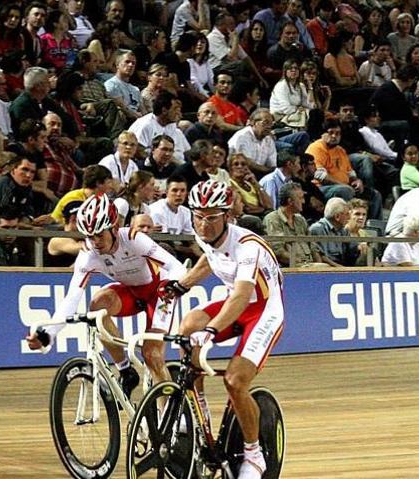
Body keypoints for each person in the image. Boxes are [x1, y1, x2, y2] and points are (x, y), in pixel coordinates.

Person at [164, 180, 284, 479]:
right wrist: (182, 285)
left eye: (212, 217)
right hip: (235, 302)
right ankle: (197, 406)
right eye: (198, 216)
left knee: (234, 380)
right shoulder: (204, 232)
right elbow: (209, 258)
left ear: (227, 216)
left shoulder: (247, 246)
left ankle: (254, 455)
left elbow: (242, 296)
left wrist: (214, 330)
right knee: (189, 324)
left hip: (262, 309)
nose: (203, 224)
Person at [27, 192, 187, 395]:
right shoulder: (88, 255)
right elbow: (72, 298)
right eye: (89, 236)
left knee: (151, 354)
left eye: (99, 235)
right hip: (131, 292)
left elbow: (178, 268)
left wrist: (171, 288)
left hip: (160, 292)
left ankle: (171, 416)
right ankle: (125, 370)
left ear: (114, 228)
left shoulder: (133, 238)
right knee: (97, 305)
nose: (95, 242)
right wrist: (48, 335)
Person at [263, 181, 327, 267]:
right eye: (300, 198)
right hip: (290, 268)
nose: (304, 202)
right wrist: (301, 264)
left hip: (310, 266)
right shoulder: (273, 219)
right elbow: (278, 252)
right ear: (290, 201)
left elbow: (313, 247)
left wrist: (320, 268)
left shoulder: (300, 220)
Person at [308, 197, 359, 266]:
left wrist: (360, 247)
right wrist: (342, 269)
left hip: (343, 268)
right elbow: (323, 258)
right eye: (347, 214)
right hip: (329, 270)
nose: (349, 217)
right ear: (337, 216)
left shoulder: (343, 230)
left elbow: (352, 252)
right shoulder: (317, 229)